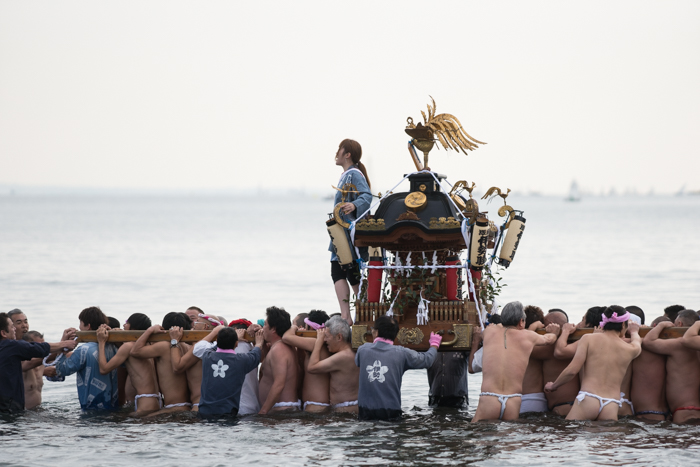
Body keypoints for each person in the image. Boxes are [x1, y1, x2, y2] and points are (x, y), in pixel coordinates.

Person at [545, 305, 642, 421]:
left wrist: (553, 385)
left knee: (572, 432)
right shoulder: (631, 348)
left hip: (589, 398)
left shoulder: (588, 339)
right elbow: (637, 340)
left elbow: (572, 371)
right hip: (612, 403)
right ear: (623, 325)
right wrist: (634, 331)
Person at [472, 302, 559, 422]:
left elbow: (494, 329)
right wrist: (554, 332)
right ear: (521, 322)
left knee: (479, 435)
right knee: (510, 439)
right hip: (513, 400)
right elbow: (549, 340)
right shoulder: (529, 336)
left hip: (489, 397)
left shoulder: (489, 332)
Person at [355, 315, 442, 420]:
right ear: (396, 335)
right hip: (391, 413)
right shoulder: (402, 353)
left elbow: (358, 362)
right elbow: (427, 360)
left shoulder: (362, 350)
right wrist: (434, 345)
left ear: (375, 332)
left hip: (365, 412)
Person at [329, 139, 372, 325]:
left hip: (348, 234)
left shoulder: (354, 174)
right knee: (337, 271)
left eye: (339, 150)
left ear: (347, 154)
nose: (336, 153)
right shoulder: (346, 174)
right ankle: (346, 316)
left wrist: (354, 205)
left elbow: (367, 195)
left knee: (351, 273)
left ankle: (363, 314)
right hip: (340, 233)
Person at [0, 313, 76, 413]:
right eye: (12, 326)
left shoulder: (10, 351)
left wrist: (62, 345)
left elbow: (40, 353)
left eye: (25, 321)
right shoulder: (11, 346)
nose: (15, 328)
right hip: (9, 408)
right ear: (3, 333)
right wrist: (64, 344)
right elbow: (37, 350)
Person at [94, 313, 161, 415]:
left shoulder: (128, 346)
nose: (124, 325)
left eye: (126, 322)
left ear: (133, 326)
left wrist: (101, 342)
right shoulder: (149, 345)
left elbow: (104, 369)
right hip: (155, 400)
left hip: (145, 403)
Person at [54, 306, 119, 410]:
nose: (79, 327)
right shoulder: (114, 347)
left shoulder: (83, 350)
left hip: (91, 408)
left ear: (88, 326)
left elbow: (61, 370)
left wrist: (62, 344)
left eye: (80, 323)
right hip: (114, 406)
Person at [130, 312, 192, 415]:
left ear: (164, 329)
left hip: (174, 408)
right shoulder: (188, 347)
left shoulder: (163, 346)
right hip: (187, 406)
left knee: (133, 418)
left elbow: (135, 351)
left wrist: (150, 330)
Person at [196, 326, 264, 417]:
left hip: (204, 411)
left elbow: (199, 346)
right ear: (236, 344)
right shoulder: (241, 360)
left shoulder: (207, 356)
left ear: (217, 341)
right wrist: (258, 344)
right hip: (228, 413)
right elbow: (255, 356)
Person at [645, 310, 700, 423]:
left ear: (679, 324)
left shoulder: (678, 344)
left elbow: (649, 342)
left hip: (683, 410)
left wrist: (662, 325)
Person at [306, 316, 360, 413]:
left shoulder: (343, 356)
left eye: (326, 336)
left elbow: (312, 367)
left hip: (345, 410)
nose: (324, 340)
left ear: (339, 337)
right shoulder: (352, 352)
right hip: (349, 408)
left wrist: (318, 342)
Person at [282, 310, 331, 413]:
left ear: (311, 328)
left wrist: (294, 327)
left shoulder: (315, 343)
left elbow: (286, 337)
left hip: (317, 406)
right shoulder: (317, 345)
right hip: (314, 405)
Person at [258, 306, 300, 414]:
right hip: (281, 408)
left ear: (273, 329)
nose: (263, 328)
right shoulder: (280, 347)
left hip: (282, 410)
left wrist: (263, 411)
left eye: (265, 325)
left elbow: (279, 383)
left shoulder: (279, 350)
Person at [631, 315, 670, 421]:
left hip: (645, 411)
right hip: (667, 412)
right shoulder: (673, 348)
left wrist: (635, 332)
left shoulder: (640, 344)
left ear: (653, 326)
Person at [541, 310, 580, 416]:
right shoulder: (576, 345)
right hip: (575, 406)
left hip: (562, 407)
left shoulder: (549, 348)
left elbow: (525, 349)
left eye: (543, 325)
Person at [519, 305, 549, 414]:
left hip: (518, 397)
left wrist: (531, 327)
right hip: (536, 397)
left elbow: (525, 344)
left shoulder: (514, 341)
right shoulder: (544, 346)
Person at [21, 331, 46, 409]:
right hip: (23, 414)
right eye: (39, 346)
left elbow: (61, 356)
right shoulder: (21, 362)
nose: (42, 349)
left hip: (38, 410)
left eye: (43, 345)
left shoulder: (42, 362)